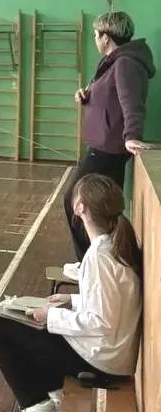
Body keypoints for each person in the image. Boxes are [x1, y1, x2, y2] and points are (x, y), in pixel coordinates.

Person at [0, 173, 142, 412]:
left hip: (102, 360)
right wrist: (71, 301)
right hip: (111, 354)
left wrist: (51, 316)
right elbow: (114, 303)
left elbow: (101, 321)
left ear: (80, 207)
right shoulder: (113, 246)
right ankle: (52, 395)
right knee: (21, 323)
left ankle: (37, 410)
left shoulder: (100, 257)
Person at [65, 11, 154, 267]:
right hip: (102, 145)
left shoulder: (124, 62)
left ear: (106, 37)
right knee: (101, 209)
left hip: (108, 149)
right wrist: (86, 96)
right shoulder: (112, 62)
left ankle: (89, 264)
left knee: (75, 201)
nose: (95, 39)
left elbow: (131, 102)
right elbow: (110, 97)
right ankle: (104, 263)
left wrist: (132, 135)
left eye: (96, 34)